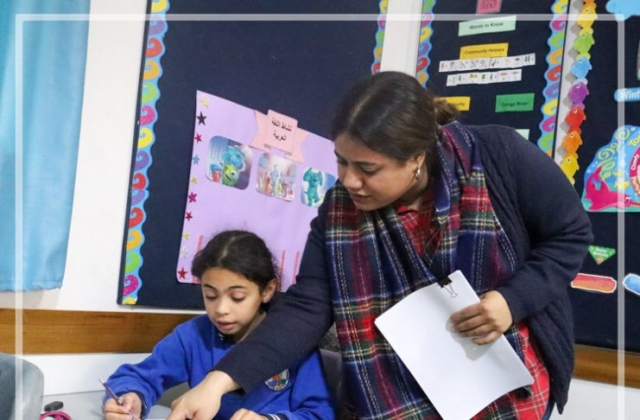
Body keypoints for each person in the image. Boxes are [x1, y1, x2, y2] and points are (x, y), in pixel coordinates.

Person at [167, 71, 593, 420]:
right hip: (392, 392)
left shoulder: (498, 156)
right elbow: (307, 308)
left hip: (503, 388)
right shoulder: (338, 209)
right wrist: (218, 382)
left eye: (367, 168)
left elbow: (570, 235)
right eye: (341, 161)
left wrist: (511, 301)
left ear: (416, 159)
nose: (349, 180)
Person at [102, 230, 335, 420]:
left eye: (237, 297)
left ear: (267, 290)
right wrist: (132, 397)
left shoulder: (294, 343)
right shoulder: (192, 336)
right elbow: (140, 377)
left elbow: (320, 414)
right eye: (211, 296)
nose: (221, 309)